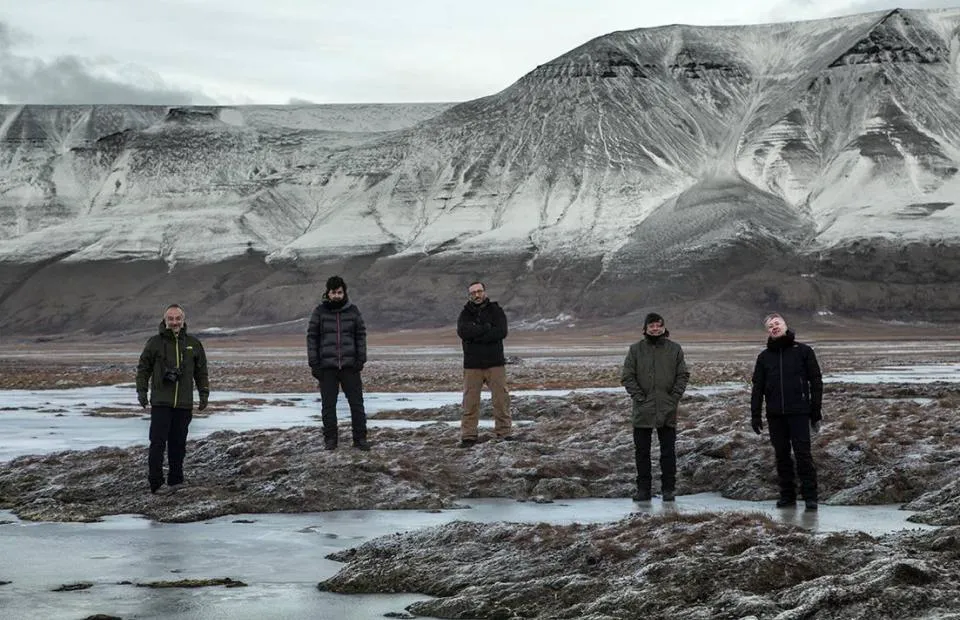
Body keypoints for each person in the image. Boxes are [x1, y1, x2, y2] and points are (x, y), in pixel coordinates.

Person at [750, 312, 823, 511]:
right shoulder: (764, 357)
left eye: (777, 323)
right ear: (768, 332)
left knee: (803, 455)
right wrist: (755, 415)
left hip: (799, 412)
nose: (774, 327)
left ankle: (810, 497)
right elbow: (758, 388)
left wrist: (815, 411)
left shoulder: (803, 351)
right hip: (775, 414)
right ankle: (787, 496)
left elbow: (816, 382)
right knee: (781, 455)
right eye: (770, 326)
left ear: (785, 325)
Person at [136, 304, 209, 494]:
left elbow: (201, 372)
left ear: (183, 320)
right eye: (171, 319)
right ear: (165, 321)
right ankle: (156, 483)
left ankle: (176, 480)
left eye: (178, 319)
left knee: (178, 443)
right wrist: (141, 392)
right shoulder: (155, 343)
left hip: (183, 403)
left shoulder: (193, 343)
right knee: (158, 443)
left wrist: (204, 393)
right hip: (161, 402)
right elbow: (143, 369)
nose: (174, 322)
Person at [621, 312, 690, 502]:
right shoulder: (636, 350)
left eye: (658, 325)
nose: (655, 328)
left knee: (668, 452)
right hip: (642, 410)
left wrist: (673, 398)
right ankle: (643, 490)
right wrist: (639, 398)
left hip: (667, 409)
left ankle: (669, 489)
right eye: (651, 325)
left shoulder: (674, 349)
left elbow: (682, 375)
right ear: (645, 328)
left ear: (663, 327)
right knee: (642, 452)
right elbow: (627, 376)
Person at [307, 276, 369, 451]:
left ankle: (360, 440)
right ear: (328, 292)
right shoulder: (319, 312)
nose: (336, 296)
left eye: (339, 292)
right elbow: (312, 337)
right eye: (333, 292)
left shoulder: (353, 311)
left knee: (357, 404)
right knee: (328, 406)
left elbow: (361, 335)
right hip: (327, 368)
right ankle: (331, 440)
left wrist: (360, 360)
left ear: (344, 292)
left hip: (350, 366)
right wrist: (314, 364)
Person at [456, 281, 511, 448]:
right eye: (473, 293)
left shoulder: (496, 311)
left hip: (495, 363)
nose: (477, 295)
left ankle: (504, 433)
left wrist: (476, 336)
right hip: (472, 365)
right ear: (469, 295)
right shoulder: (465, 314)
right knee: (470, 402)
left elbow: (501, 332)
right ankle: (469, 437)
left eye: (479, 291)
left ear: (485, 292)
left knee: (501, 400)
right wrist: (486, 329)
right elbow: (463, 332)